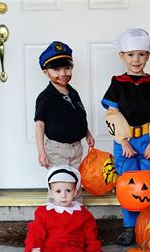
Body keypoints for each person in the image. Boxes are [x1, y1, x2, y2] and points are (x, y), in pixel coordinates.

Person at [101, 28, 150, 246]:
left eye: (141, 54)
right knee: (128, 182)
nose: (136, 59)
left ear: (148, 56)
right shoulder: (118, 83)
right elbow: (112, 114)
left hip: (148, 139)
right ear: (122, 56)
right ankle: (130, 226)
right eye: (131, 55)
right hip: (126, 141)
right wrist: (122, 140)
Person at [24, 165, 102, 252]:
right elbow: (35, 231)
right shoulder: (44, 212)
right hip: (50, 245)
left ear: (75, 192)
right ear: (51, 193)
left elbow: (90, 232)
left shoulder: (82, 213)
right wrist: (33, 247)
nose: (64, 195)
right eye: (58, 191)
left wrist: (92, 249)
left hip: (73, 246)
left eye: (68, 191)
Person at [35, 41, 95, 170]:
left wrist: (87, 133)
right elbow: (39, 125)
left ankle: (75, 191)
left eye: (67, 68)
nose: (63, 73)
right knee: (60, 184)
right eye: (56, 70)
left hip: (77, 147)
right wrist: (41, 152)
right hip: (57, 150)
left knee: (75, 182)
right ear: (46, 73)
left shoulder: (73, 93)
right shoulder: (45, 98)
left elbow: (79, 116)